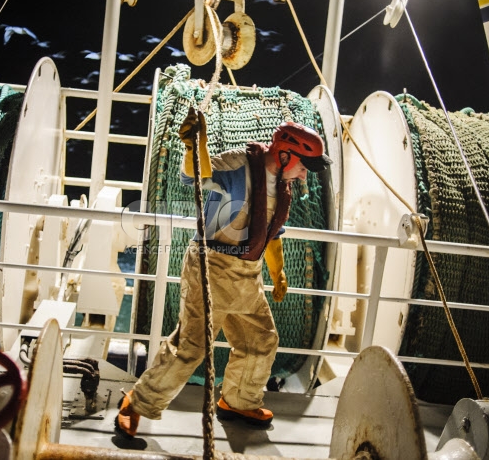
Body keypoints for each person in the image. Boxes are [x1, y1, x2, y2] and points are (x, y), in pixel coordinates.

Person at [116, 107, 332, 437]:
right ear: (286, 154)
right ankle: (138, 403)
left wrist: (279, 272)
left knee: (260, 341)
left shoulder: (282, 185)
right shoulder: (238, 165)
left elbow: (271, 233)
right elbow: (195, 175)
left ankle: (239, 402)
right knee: (190, 347)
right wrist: (193, 144)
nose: (304, 176)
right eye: (304, 167)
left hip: (247, 274)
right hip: (211, 267)